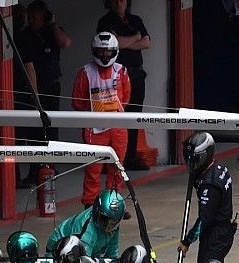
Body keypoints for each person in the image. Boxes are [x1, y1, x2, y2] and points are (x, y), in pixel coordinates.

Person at [16, 0, 71, 187]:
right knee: (34, 131)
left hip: (52, 86)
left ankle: (50, 165)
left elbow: (66, 43)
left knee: (51, 129)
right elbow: (29, 67)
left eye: (36, 17)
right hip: (35, 90)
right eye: (29, 17)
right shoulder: (25, 36)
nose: (31, 20)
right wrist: (36, 95)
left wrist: (52, 23)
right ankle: (34, 170)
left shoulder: (52, 32)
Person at [72, 32, 131, 207]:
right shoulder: (85, 72)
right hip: (94, 128)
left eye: (108, 51)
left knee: (118, 167)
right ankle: (90, 204)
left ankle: (113, 204)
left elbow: (126, 98)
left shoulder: (121, 71)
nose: (105, 55)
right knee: (93, 168)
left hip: (118, 126)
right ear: (94, 51)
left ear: (115, 51)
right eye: (101, 51)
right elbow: (77, 101)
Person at [97, 0, 151, 171]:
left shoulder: (136, 19)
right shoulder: (105, 22)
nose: (119, 3)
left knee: (134, 114)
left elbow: (147, 42)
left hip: (136, 72)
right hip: (115, 74)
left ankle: (131, 157)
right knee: (114, 114)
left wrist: (126, 42)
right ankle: (112, 157)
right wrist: (135, 37)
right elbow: (115, 44)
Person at [177, 132, 237, 263]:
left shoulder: (210, 185)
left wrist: (187, 241)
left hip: (216, 235)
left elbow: (204, 220)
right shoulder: (218, 168)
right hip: (222, 230)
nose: (191, 164)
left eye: (195, 160)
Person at [46, 189, 125, 259]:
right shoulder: (85, 229)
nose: (109, 226)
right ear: (97, 213)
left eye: (114, 222)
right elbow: (84, 262)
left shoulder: (114, 224)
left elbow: (112, 252)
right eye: (105, 220)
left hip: (91, 252)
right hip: (59, 253)